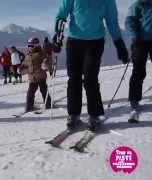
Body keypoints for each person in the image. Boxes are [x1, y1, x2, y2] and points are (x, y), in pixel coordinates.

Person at [54, 0, 129, 131]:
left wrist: (119, 42)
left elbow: (112, 21)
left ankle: (94, 115)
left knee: (90, 78)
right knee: (74, 78)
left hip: (95, 42)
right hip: (74, 40)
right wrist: (58, 36)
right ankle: (73, 114)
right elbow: (61, 15)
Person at [126, 0, 152, 115]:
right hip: (139, 42)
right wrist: (133, 35)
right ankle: (134, 100)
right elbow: (129, 21)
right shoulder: (138, 5)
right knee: (138, 71)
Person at [20, 37, 52, 112]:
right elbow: (25, 63)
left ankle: (48, 103)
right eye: (29, 46)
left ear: (36, 45)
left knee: (44, 90)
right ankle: (29, 106)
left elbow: (46, 59)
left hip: (40, 76)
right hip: (32, 77)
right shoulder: (28, 54)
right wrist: (21, 67)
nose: (30, 47)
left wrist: (45, 64)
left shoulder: (41, 53)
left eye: (31, 46)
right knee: (30, 92)